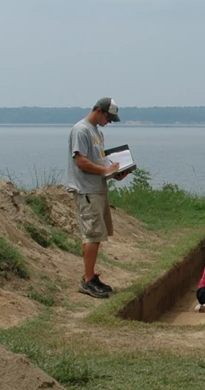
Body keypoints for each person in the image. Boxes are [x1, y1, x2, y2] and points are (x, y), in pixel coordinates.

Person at [65, 97, 130, 299]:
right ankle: (87, 280)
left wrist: (115, 173)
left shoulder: (97, 133)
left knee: (96, 235)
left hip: (97, 188)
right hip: (86, 190)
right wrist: (105, 170)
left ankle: (91, 276)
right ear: (99, 111)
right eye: (108, 118)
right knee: (92, 235)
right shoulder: (81, 130)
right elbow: (81, 162)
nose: (108, 122)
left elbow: (99, 161)